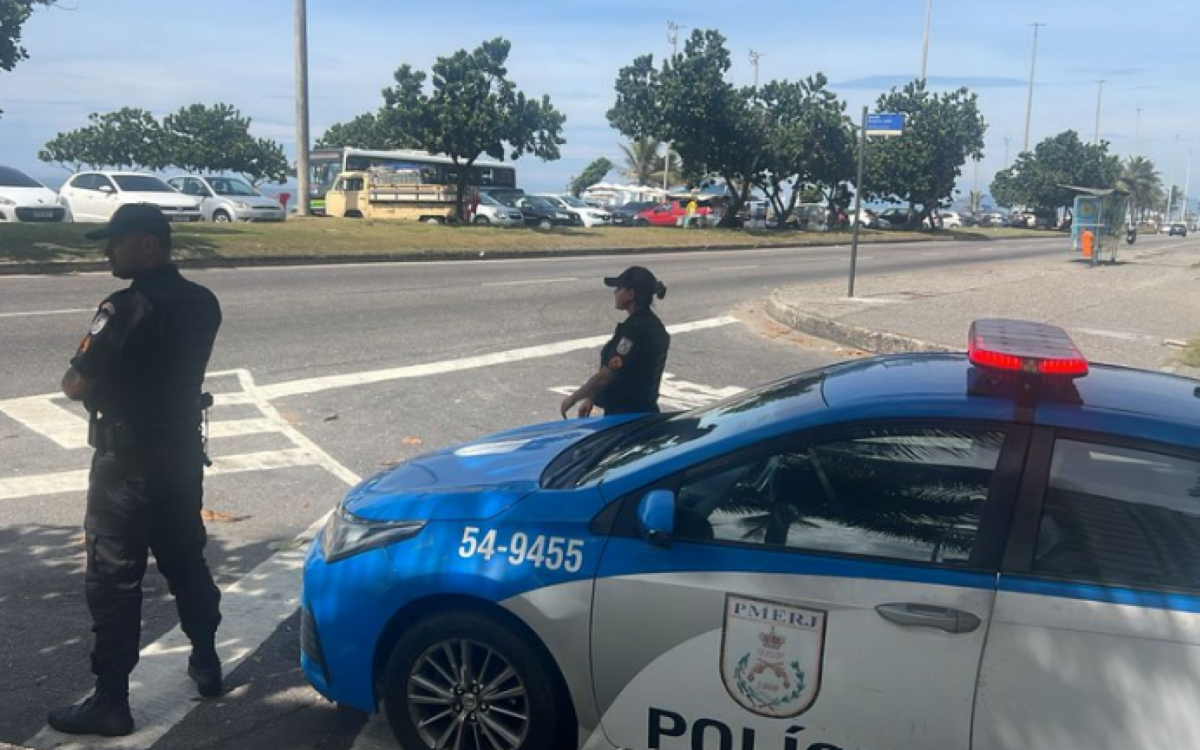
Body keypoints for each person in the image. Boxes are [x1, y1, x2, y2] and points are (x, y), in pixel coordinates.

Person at [47, 204, 224, 737]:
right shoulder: (202, 303)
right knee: (186, 560)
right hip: (180, 459)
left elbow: (76, 383)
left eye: (117, 241)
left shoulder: (126, 307)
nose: (108, 251)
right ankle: (208, 661)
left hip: (125, 468)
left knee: (113, 580)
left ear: (149, 245)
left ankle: (111, 702)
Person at [560, 266, 670, 418]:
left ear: (631, 294)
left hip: (626, 418)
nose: (615, 292)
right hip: (645, 413)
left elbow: (605, 377)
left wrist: (573, 398)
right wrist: (591, 397)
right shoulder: (654, 326)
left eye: (619, 288)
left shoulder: (635, 331)